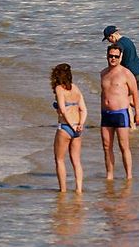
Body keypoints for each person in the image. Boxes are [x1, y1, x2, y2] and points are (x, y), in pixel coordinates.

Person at [102, 26, 139, 128]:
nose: (109, 42)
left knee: (127, 100)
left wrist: (112, 69)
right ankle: (136, 122)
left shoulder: (119, 44)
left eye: (108, 39)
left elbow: (119, 55)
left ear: (112, 36)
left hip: (131, 74)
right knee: (130, 99)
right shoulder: (128, 40)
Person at [101, 43, 139, 180]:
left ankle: (129, 176)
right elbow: (104, 93)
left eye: (116, 56)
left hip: (121, 114)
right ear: (107, 56)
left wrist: (137, 113)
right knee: (107, 146)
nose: (113, 58)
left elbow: (135, 93)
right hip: (106, 115)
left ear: (120, 56)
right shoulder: (103, 73)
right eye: (110, 56)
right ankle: (109, 175)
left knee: (124, 146)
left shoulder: (126, 73)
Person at [51, 63, 87, 193]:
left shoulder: (59, 89)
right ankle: (79, 189)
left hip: (65, 127)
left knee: (59, 160)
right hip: (77, 129)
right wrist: (80, 124)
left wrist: (70, 124)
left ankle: (63, 190)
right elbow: (83, 109)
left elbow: (62, 109)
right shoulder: (76, 89)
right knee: (76, 161)